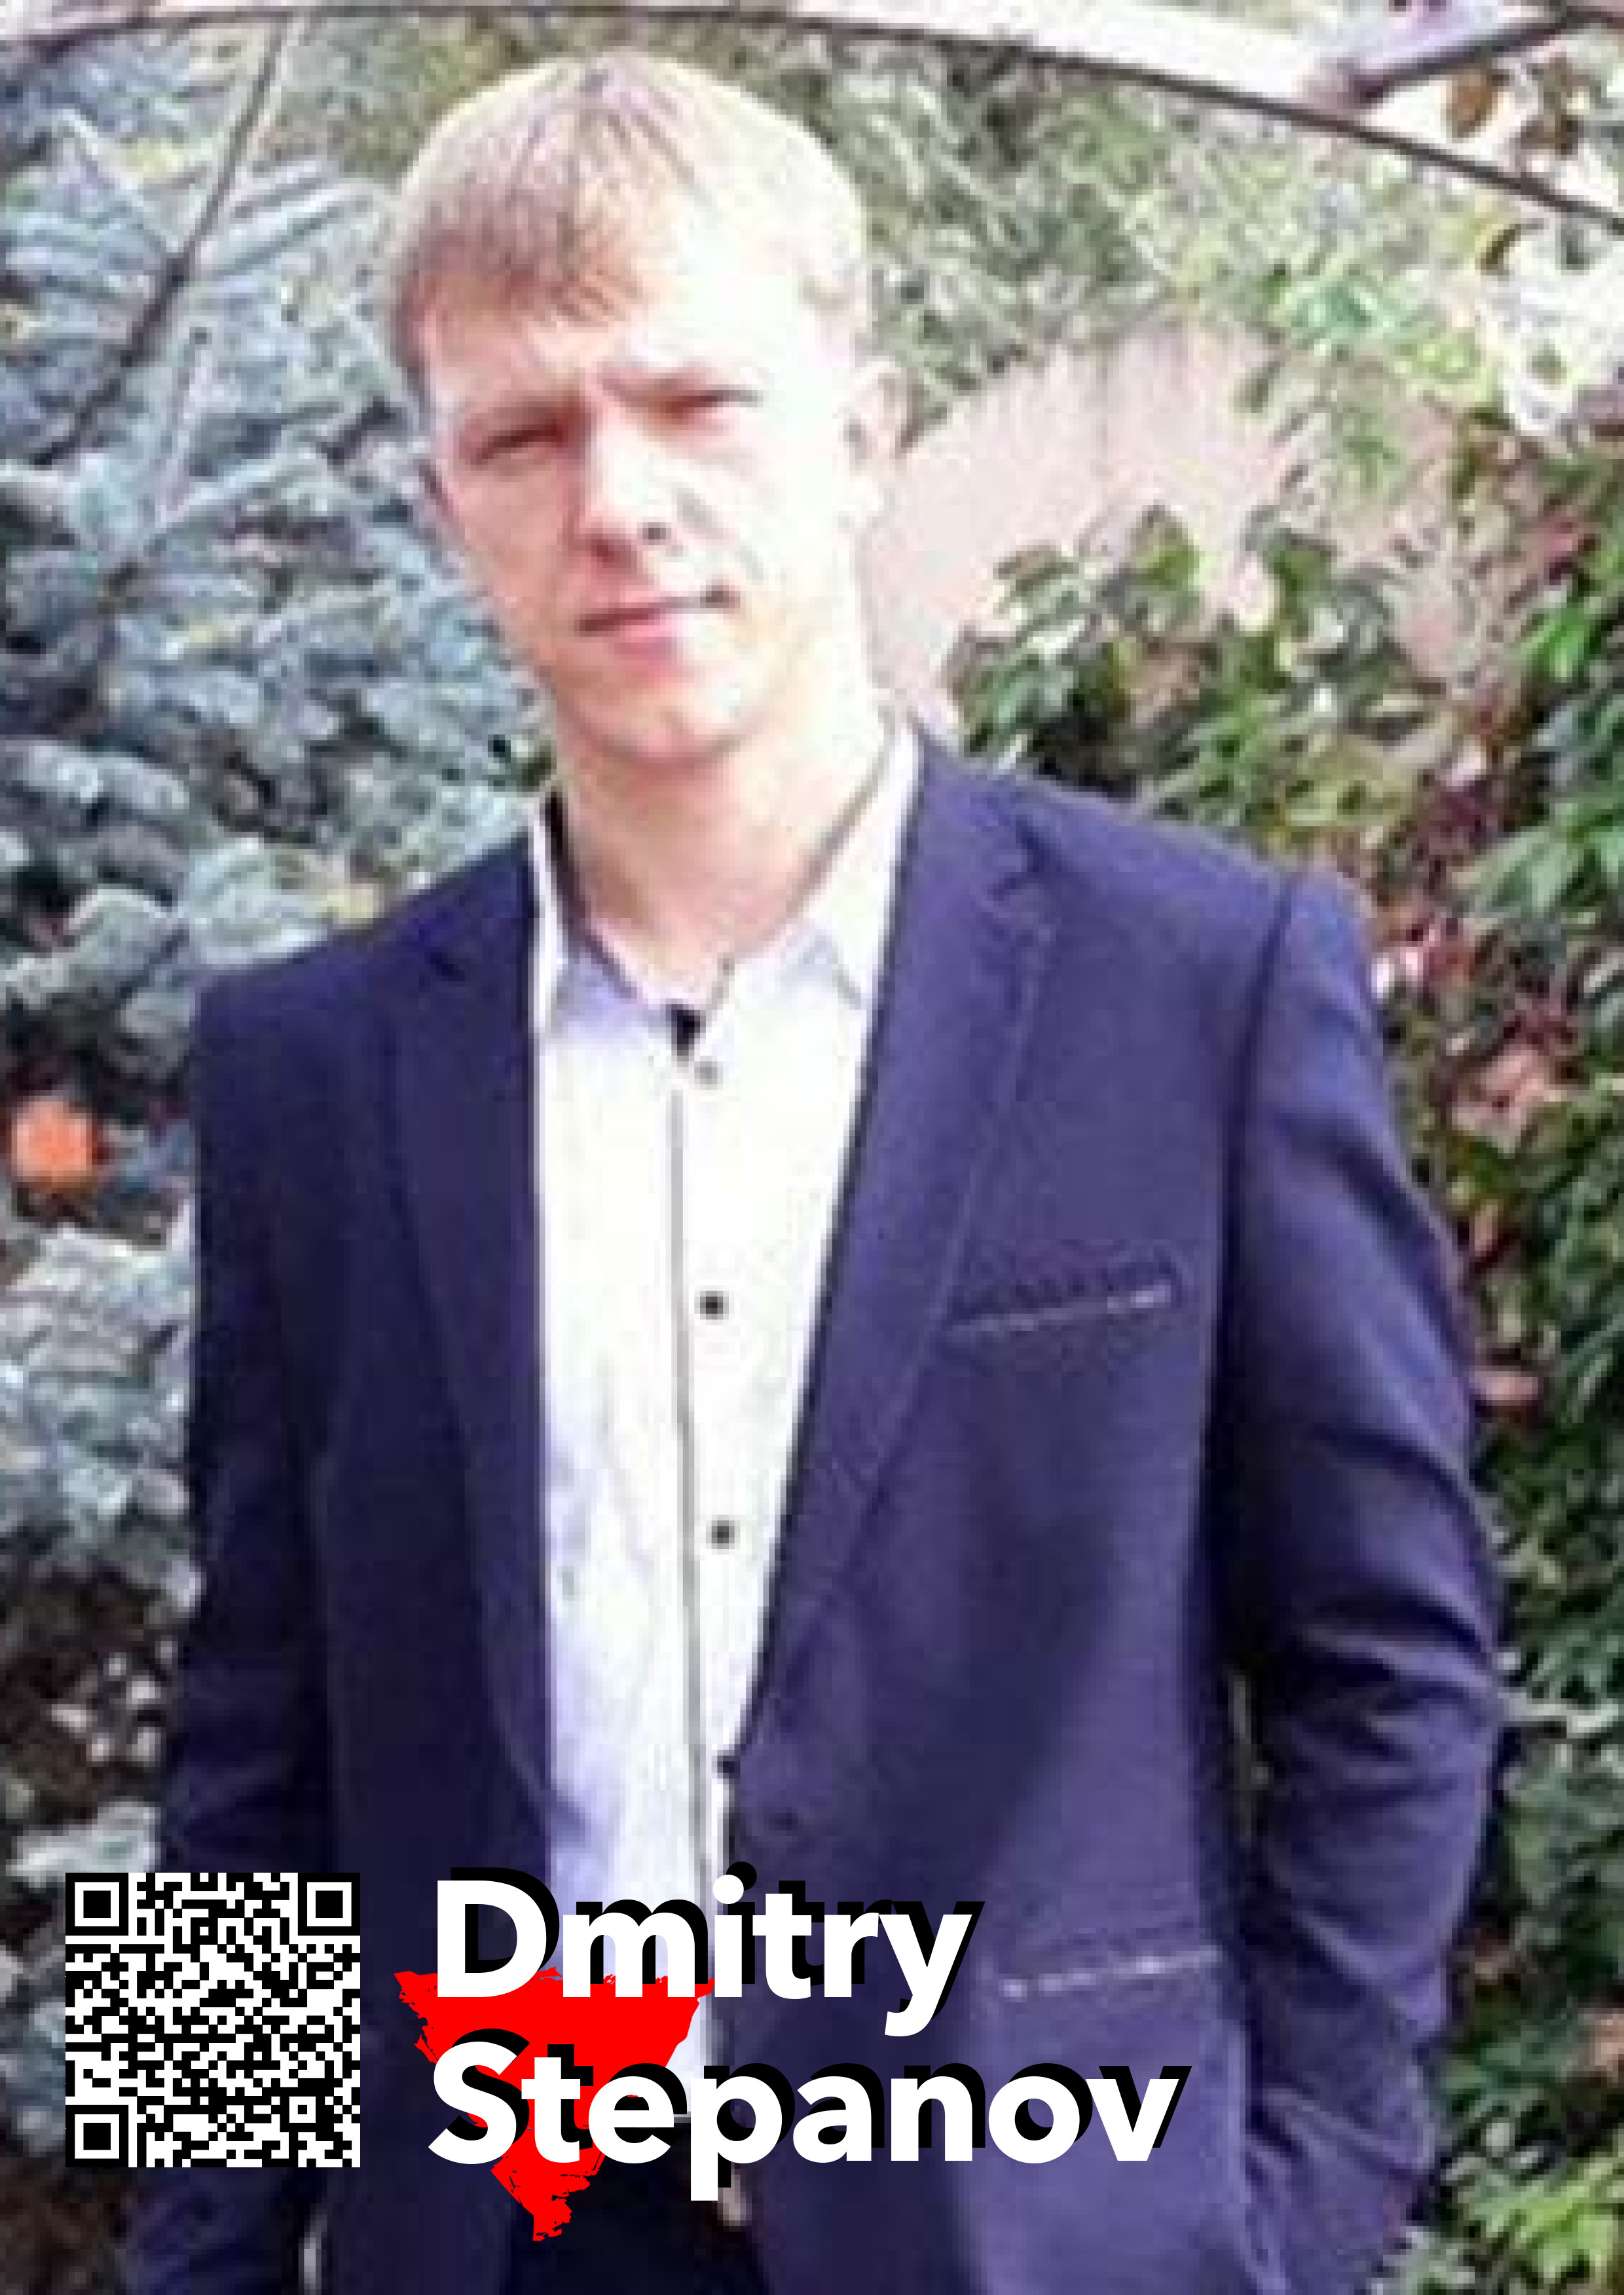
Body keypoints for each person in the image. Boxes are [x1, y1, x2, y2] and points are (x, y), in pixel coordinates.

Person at [126, 48, 1499, 2295]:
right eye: (526, 435)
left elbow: (1392, 1662)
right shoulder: (315, 1071)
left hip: (1043, 2231)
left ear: (862, 433)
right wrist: (199, 2261)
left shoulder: (1201, 989)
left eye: (697, 402)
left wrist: (1294, 2207)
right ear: (444, 503)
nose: (621, 501)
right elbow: (252, 1751)